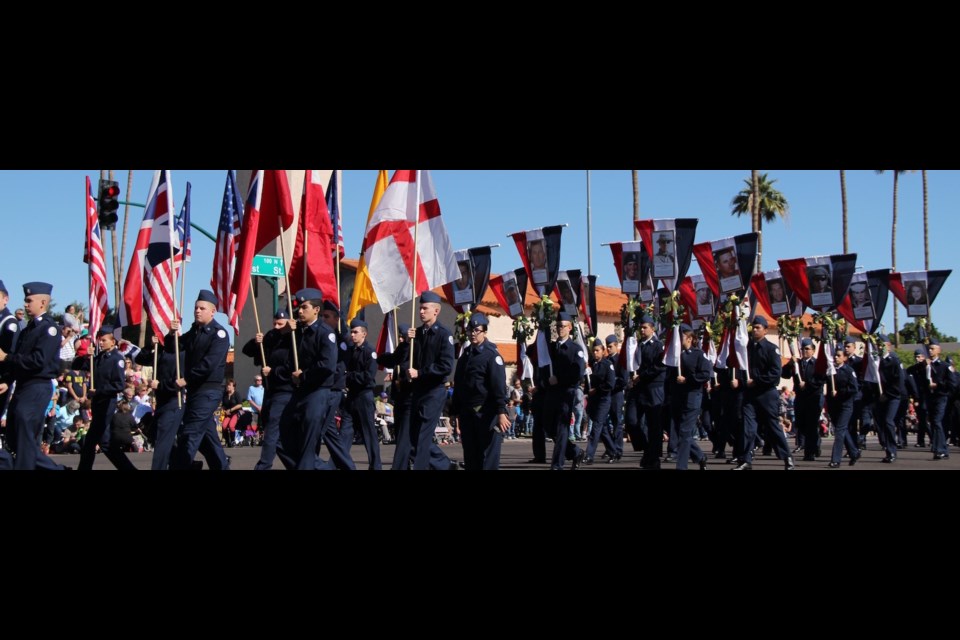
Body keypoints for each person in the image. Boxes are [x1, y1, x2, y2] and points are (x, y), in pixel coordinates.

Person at [0, 282, 69, 470]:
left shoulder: (49, 328)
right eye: (25, 300)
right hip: (23, 386)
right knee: (17, 440)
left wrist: (7, 357)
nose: (25, 304)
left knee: (24, 438)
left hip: (37, 386)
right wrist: (8, 380)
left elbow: (38, 360)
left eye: (29, 300)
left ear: (43, 302)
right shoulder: (29, 329)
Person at [167, 290, 231, 471]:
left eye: (202, 308)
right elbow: (174, 348)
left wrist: (187, 379)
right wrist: (172, 333)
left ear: (212, 311)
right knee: (208, 439)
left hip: (208, 391)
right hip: (195, 392)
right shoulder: (194, 331)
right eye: (196, 307)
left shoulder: (219, 334)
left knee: (189, 434)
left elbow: (209, 364)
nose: (197, 311)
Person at [404, 291, 457, 471]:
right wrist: (406, 342)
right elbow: (406, 359)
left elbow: (446, 366)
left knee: (422, 438)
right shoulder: (417, 334)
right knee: (413, 438)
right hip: (418, 391)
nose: (421, 312)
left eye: (425, 308)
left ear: (436, 311)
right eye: (420, 308)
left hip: (434, 391)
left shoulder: (444, 334)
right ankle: (445, 466)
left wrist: (421, 372)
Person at [450, 313, 509, 470]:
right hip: (468, 413)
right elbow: (459, 385)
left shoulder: (491, 355)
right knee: (471, 456)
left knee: (488, 459)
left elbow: (498, 386)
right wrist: (454, 411)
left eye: (477, 330)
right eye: (470, 330)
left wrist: (501, 412)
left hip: (486, 412)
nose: (473, 334)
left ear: (484, 331)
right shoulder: (466, 356)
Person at [734, 316, 794, 470]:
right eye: (753, 327)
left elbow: (775, 373)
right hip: (750, 395)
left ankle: (787, 457)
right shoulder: (747, 348)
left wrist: (757, 380)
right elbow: (742, 368)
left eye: (758, 327)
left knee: (772, 426)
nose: (754, 330)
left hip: (766, 394)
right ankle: (746, 460)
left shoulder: (771, 348)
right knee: (748, 428)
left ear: (765, 330)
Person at [241, 309, 298, 470]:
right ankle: (299, 465)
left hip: (285, 391)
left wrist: (272, 371)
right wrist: (256, 341)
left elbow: (291, 367)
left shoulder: (292, 340)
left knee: (272, 431)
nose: (276, 327)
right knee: (275, 436)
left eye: (280, 324)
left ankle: (263, 466)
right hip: (270, 391)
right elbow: (247, 351)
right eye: (274, 323)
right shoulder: (271, 338)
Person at [77, 327, 138, 470]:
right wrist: (86, 355)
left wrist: (98, 391)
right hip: (98, 403)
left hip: (107, 403)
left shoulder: (117, 359)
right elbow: (77, 365)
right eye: (100, 339)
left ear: (113, 342)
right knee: (103, 442)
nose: (101, 342)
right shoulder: (98, 358)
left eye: (104, 340)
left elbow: (118, 385)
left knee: (92, 441)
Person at [539, 311, 587, 470]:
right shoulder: (551, 347)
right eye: (558, 326)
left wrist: (560, 379)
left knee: (561, 429)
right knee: (549, 427)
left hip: (566, 393)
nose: (560, 329)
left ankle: (557, 465)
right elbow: (542, 362)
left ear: (570, 328)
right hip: (551, 392)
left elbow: (578, 372)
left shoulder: (575, 349)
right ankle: (574, 451)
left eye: (563, 326)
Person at [135, 335, 185, 470]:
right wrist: (150, 345)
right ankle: (184, 463)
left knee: (162, 440)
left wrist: (161, 385)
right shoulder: (159, 353)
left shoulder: (181, 355)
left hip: (175, 400)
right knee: (155, 435)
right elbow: (140, 359)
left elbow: (182, 380)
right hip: (161, 402)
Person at [668, 324, 712, 470]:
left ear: (689, 338)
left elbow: (705, 374)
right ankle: (700, 456)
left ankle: (681, 467)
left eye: (680, 336)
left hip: (693, 397)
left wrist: (687, 379)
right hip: (677, 397)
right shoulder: (675, 355)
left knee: (685, 432)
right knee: (681, 432)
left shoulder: (698, 354)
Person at [343, 318, 381, 470]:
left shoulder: (369, 352)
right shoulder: (350, 351)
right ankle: (338, 463)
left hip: (364, 396)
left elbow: (368, 376)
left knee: (368, 433)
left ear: (364, 334)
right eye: (351, 332)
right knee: (345, 432)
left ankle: (375, 465)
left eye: (355, 332)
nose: (352, 335)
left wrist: (349, 376)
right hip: (352, 395)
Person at [630, 315, 666, 468]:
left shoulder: (658, 346)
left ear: (653, 328)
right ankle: (647, 450)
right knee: (632, 421)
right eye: (641, 327)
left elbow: (660, 366)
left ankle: (654, 457)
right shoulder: (636, 345)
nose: (642, 330)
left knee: (654, 425)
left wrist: (642, 376)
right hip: (639, 388)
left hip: (653, 388)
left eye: (645, 327)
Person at [583, 339, 617, 465]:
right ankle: (613, 451)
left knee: (596, 427)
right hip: (593, 401)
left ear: (603, 351)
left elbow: (610, 384)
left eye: (597, 350)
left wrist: (596, 390)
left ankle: (589, 455)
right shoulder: (591, 365)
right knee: (602, 429)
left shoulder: (608, 365)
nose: (595, 353)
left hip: (603, 399)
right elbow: (587, 384)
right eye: (593, 351)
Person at [827, 347, 861, 468]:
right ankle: (854, 452)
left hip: (846, 405)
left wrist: (840, 392)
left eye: (839, 356)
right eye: (835, 355)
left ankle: (836, 460)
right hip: (834, 405)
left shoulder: (848, 370)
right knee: (842, 430)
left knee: (839, 432)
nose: (836, 357)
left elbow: (854, 388)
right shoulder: (831, 371)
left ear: (844, 358)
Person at [875, 334, 903, 463]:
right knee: (881, 424)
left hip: (892, 397)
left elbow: (898, 382)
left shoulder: (894, 360)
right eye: (878, 345)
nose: (880, 347)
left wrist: (887, 394)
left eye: (883, 345)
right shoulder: (876, 361)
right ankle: (887, 448)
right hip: (880, 397)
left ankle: (892, 450)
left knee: (888, 421)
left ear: (889, 346)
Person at [220, 379, 244, 447]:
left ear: (233, 386)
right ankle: (228, 442)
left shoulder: (236, 394)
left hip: (235, 413)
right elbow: (223, 405)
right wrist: (224, 410)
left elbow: (240, 404)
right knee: (224, 426)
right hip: (228, 414)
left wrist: (231, 410)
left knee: (231, 426)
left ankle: (233, 441)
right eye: (227, 385)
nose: (228, 387)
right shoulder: (225, 394)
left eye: (229, 385)